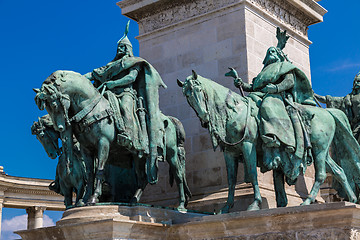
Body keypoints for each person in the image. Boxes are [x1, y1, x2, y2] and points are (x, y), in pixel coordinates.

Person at [85, 21, 167, 183]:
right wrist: (79, 79)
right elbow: (94, 74)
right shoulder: (110, 65)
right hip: (108, 94)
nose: (121, 50)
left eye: (124, 47)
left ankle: (129, 135)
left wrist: (113, 83)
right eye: (119, 47)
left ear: (129, 49)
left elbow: (131, 78)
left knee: (126, 110)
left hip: (127, 93)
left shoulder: (134, 62)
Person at [233, 27, 316, 172]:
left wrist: (275, 89)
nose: (271, 53)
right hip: (260, 95)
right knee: (248, 106)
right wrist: (242, 84)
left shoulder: (283, 66)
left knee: (267, 105)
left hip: (277, 97)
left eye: (273, 52)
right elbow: (253, 87)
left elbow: (289, 82)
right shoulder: (263, 72)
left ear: (278, 56)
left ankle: (274, 139)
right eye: (268, 52)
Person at [315, 71, 360, 142]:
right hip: (356, 127)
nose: (357, 83)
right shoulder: (349, 98)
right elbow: (331, 100)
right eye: (356, 81)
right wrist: (313, 94)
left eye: (359, 81)